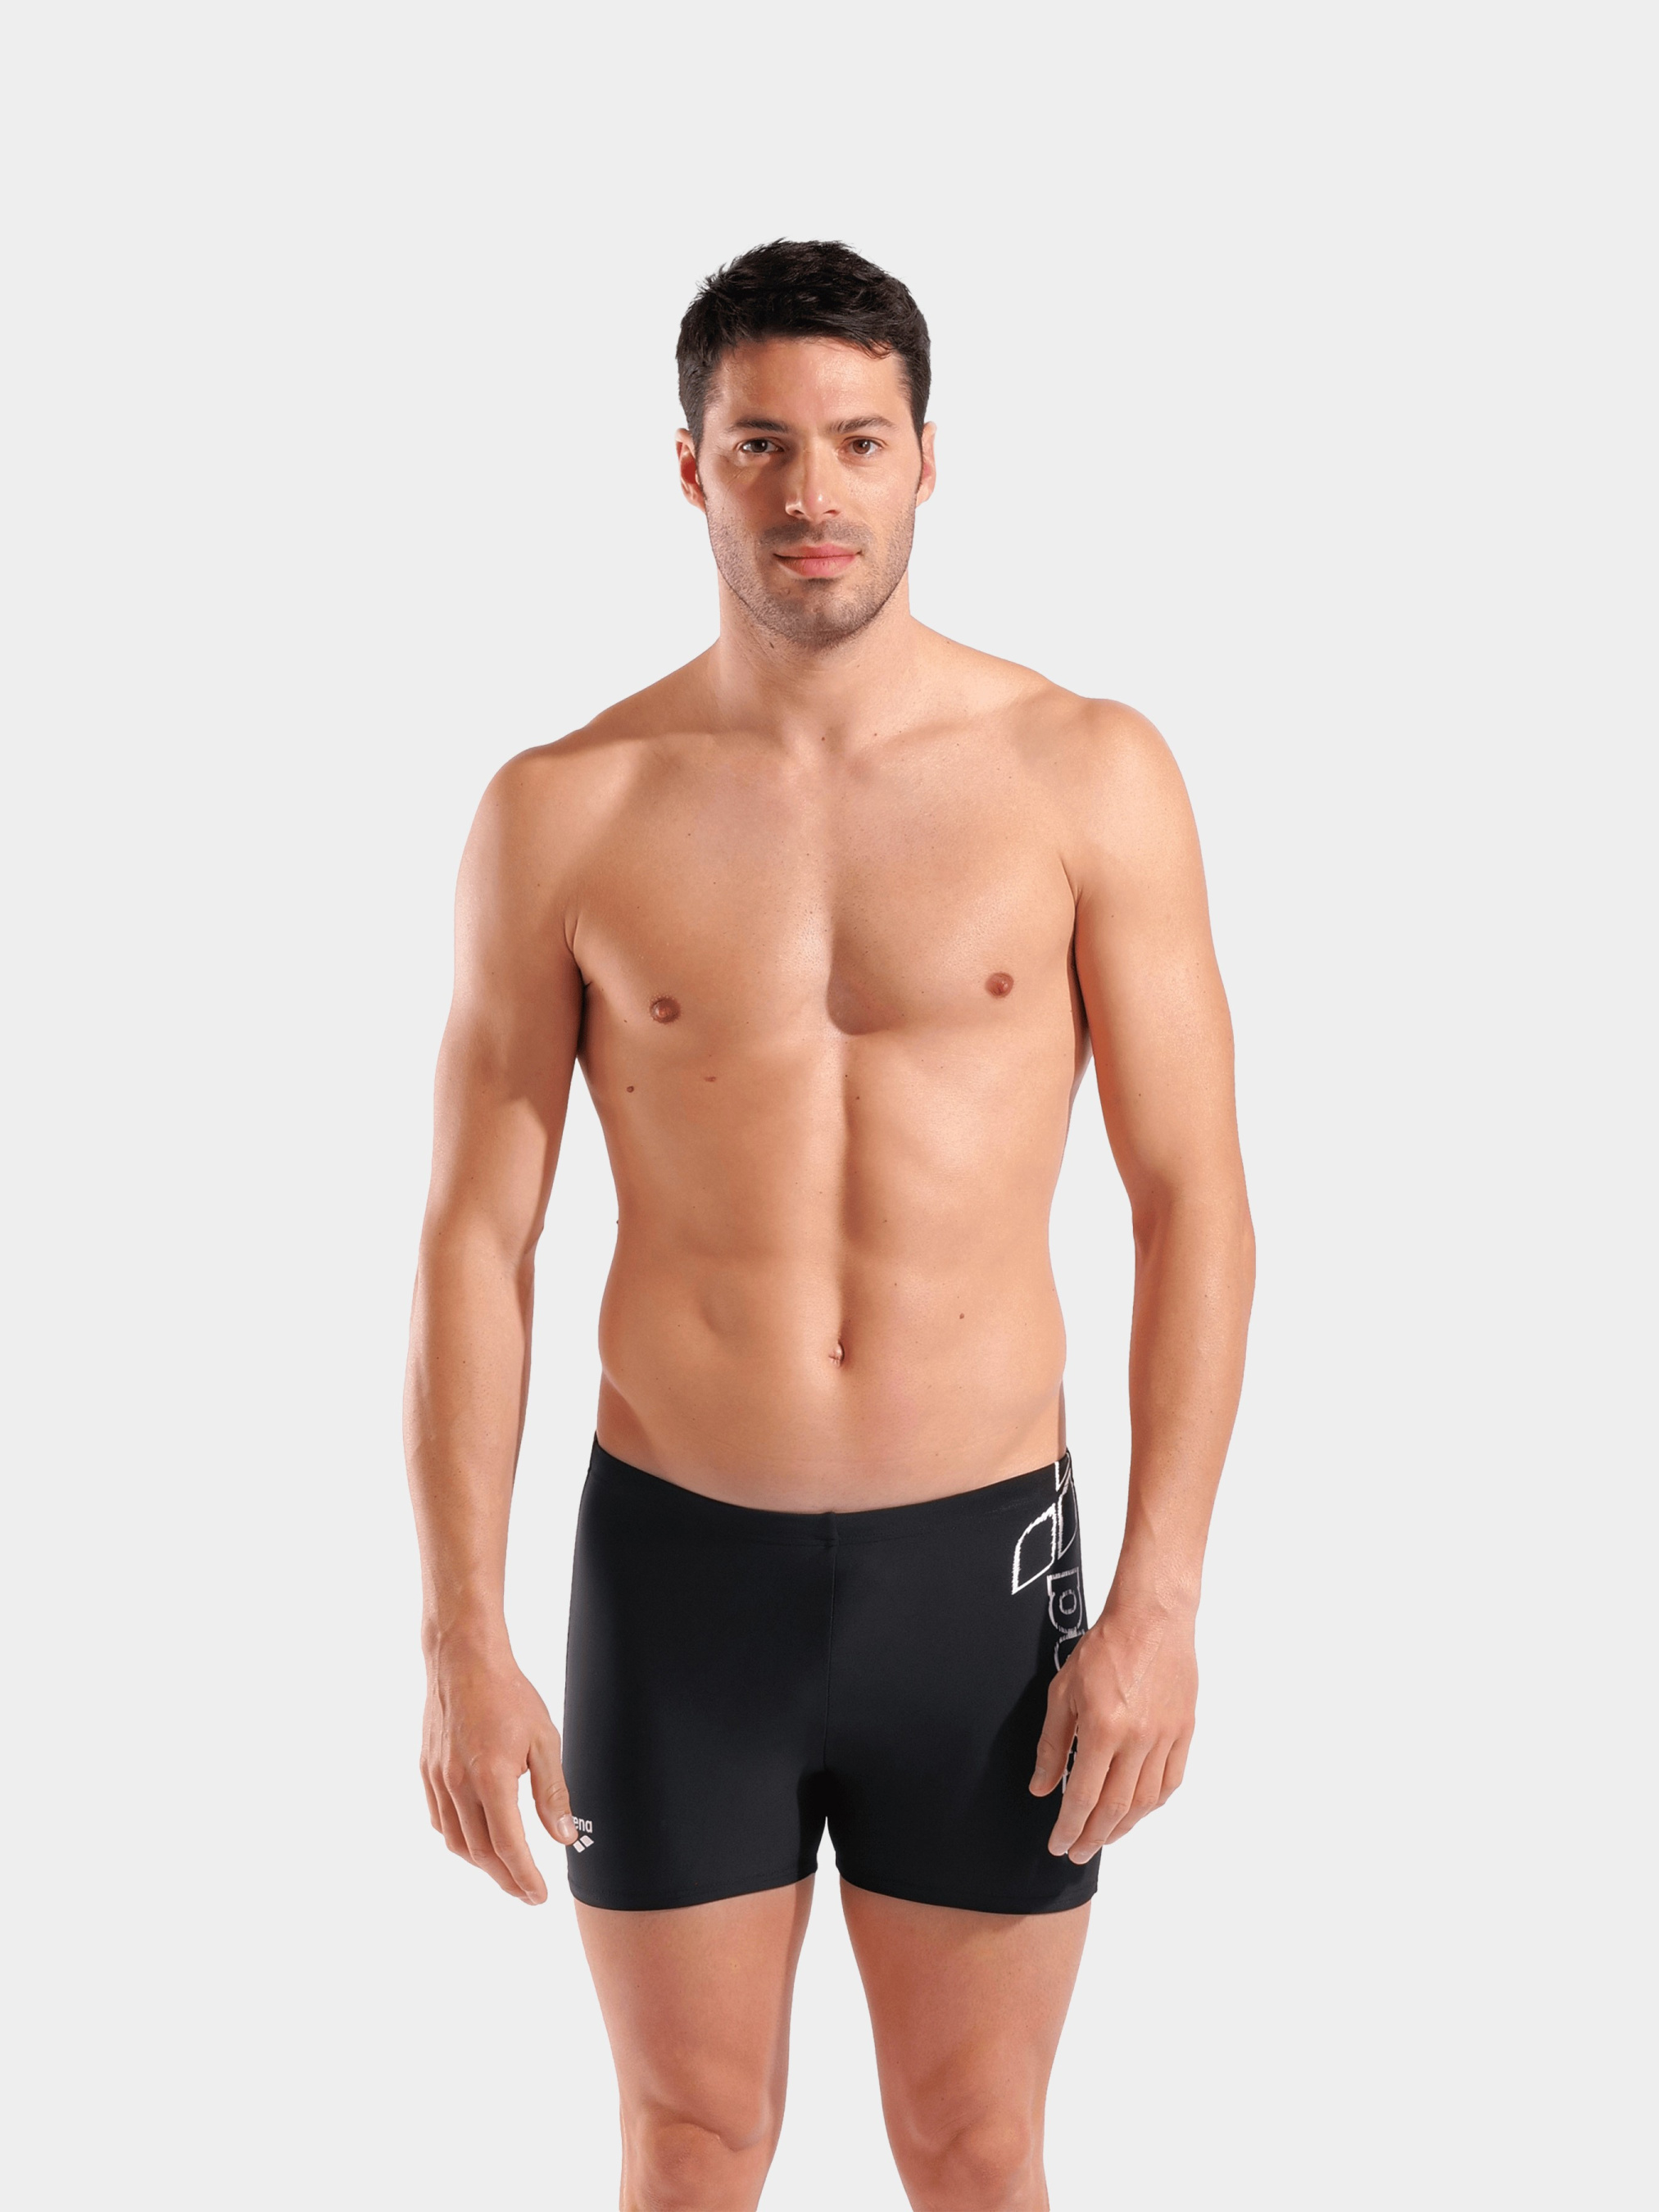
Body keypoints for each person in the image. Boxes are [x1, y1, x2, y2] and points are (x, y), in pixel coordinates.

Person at [404, 238, 1254, 2212]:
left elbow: (1192, 1199)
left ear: (926, 461)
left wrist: (1158, 1598)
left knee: (972, 2147)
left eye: (857, 442)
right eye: (762, 445)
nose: (812, 492)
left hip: (983, 1572)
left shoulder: (1084, 775)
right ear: (688, 469)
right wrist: (458, 1631)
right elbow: (471, 1242)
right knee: (692, 2144)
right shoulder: (563, 809)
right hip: (675, 1573)